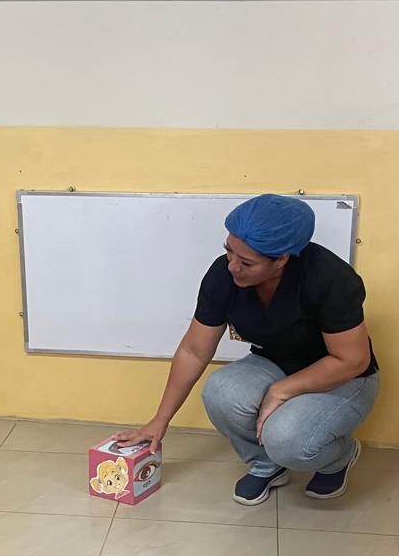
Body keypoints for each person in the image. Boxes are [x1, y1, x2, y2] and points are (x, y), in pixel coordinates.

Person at [119, 194, 379, 507]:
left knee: (287, 439)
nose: (232, 267)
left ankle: (339, 458)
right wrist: (160, 420)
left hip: (342, 376)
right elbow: (194, 351)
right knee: (220, 391)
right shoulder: (224, 275)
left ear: (281, 260)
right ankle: (267, 464)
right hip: (274, 363)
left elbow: (351, 360)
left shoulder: (330, 278)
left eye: (246, 262)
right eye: (228, 251)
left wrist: (282, 390)